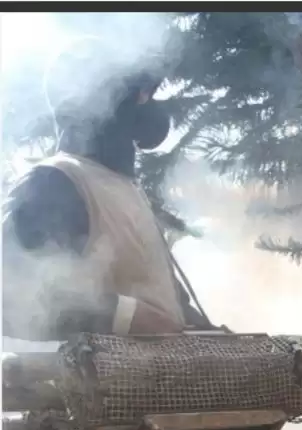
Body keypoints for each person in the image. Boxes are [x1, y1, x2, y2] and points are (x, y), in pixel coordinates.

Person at [2, 37, 221, 341]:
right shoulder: (53, 181)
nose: (147, 103)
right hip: (81, 375)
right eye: (139, 93)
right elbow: (14, 296)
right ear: (95, 101)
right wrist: (123, 316)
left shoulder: (126, 190)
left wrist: (209, 333)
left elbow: (167, 310)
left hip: (152, 373)